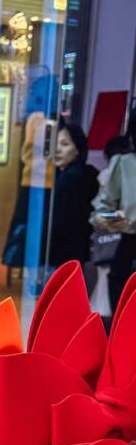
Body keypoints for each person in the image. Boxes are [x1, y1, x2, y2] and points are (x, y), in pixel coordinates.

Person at [92, 131, 136, 313]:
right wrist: (115, 219)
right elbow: (102, 210)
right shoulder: (124, 164)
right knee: (121, 294)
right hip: (129, 242)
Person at [48, 122, 98, 268]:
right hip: (78, 250)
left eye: (64, 144)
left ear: (77, 150)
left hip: (62, 253)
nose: (57, 150)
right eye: (55, 144)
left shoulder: (70, 179)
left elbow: (61, 222)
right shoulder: (86, 174)